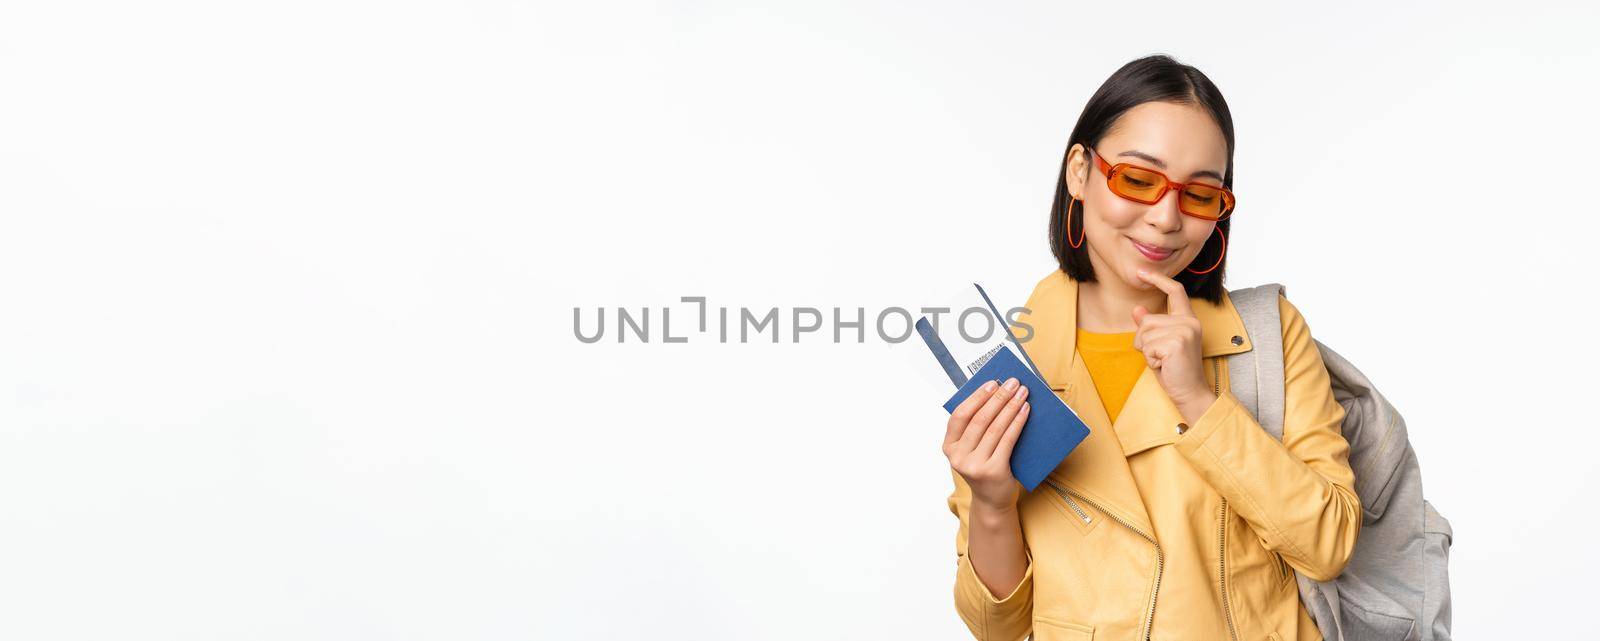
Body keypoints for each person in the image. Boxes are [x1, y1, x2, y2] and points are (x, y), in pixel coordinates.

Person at [942, 54, 1361, 641]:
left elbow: (1329, 543)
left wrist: (1199, 401)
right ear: (1080, 172)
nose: (1166, 218)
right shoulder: (1010, 358)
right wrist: (991, 505)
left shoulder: (1266, 332)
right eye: (1137, 180)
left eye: (1200, 196)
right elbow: (996, 627)